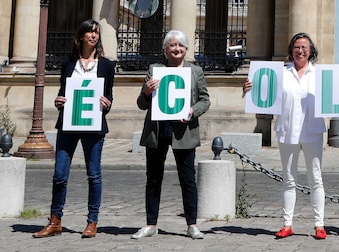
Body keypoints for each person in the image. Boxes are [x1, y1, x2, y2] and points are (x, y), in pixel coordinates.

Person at [243, 33, 339, 240]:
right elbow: (263, 93)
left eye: (304, 47)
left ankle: (319, 224)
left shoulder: (320, 74)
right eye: (297, 47)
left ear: (311, 51)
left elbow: (337, 95)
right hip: (287, 131)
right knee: (288, 179)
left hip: (312, 131)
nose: (300, 51)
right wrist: (249, 90)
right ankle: (287, 224)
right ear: (291, 50)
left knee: (315, 178)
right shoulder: (281, 73)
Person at [34, 19, 115, 239]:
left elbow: (109, 96)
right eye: (90, 31)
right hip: (69, 125)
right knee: (59, 174)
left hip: (94, 125)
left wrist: (106, 103)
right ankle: (55, 220)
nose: (94, 35)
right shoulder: (68, 64)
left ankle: (92, 222)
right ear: (80, 36)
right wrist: (59, 101)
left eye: (97, 32)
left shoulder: (107, 66)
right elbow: (64, 92)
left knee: (94, 174)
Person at [132, 30, 211, 240]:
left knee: (187, 179)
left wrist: (193, 111)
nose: (177, 49)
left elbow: (205, 100)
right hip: (157, 131)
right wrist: (147, 91)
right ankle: (151, 224)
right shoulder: (155, 70)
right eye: (172, 45)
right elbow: (141, 104)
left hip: (184, 131)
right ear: (165, 49)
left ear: (186, 49)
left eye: (181, 46)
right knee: (154, 179)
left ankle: (192, 225)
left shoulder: (195, 71)